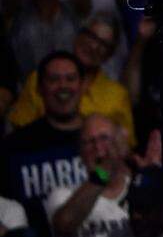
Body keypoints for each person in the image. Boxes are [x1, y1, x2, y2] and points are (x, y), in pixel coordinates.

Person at [7, 14, 134, 145]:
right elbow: (18, 129)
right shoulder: (39, 79)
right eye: (91, 36)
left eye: (103, 44)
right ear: (78, 35)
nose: (94, 46)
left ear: (110, 54)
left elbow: (125, 147)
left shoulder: (118, 96)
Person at [0, 52, 88, 237]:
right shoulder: (14, 146)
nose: (63, 86)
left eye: (70, 79)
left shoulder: (102, 141)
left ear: (82, 86)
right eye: (54, 79)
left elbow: (112, 181)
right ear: (39, 88)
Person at [44, 115, 133, 237]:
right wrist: (103, 173)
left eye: (104, 138)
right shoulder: (63, 196)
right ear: (81, 153)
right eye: (89, 142)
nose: (98, 147)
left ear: (120, 143)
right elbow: (64, 226)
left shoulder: (138, 187)